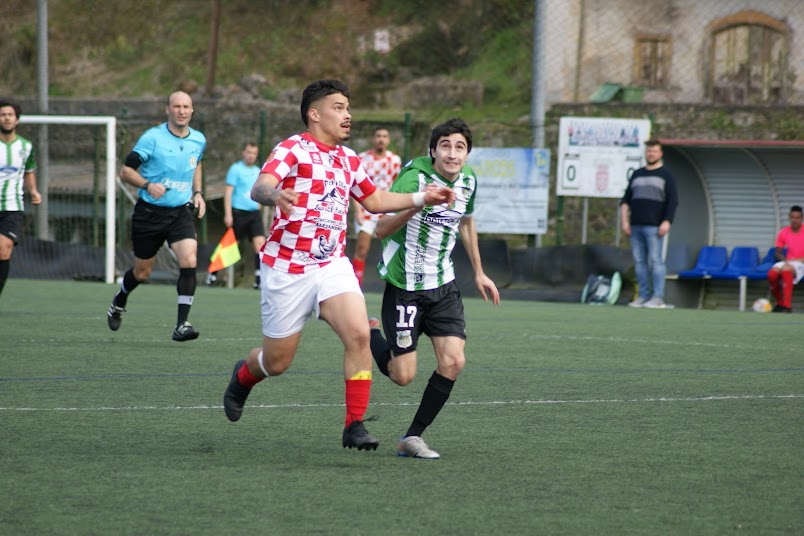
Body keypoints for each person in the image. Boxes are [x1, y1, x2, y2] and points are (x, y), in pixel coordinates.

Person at [222, 79, 456, 452]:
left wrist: (421, 196)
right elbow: (259, 188)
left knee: (360, 335)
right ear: (314, 114)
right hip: (287, 267)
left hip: (331, 264)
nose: (348, 115)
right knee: (277, 362)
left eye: (348, 108)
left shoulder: (349, 159)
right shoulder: (292, 148)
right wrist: (274, 194)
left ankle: (354, 425)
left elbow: (375, 200)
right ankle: (243, 376)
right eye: (339, 107)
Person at [368, 118, 500, 459]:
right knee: (402, 376)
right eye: (445, 146)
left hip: (443, 285)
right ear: (433, 150)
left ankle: (412, 437)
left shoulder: (469, 181)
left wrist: (480, 273)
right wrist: (419, 202)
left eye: (459, 147)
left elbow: (467, 223)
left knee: (454, 361)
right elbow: (381, 228)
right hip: (405, 287)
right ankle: (367, 333)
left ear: (467, 153)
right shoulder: (415, 177)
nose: (452, 154)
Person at [106, 91, 207, 341]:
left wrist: (198, 193)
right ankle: (120, 299)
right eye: (177, 106)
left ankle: (181, 324)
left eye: (186, 107)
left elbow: (197, 163)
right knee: (142, 273)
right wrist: (147, 185)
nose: (182, 111)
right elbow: (126, 171)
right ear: (168, 109)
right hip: (149, 214)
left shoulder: (198, 139)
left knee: (189, 260)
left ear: (192, 110)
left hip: (180, 213)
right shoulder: (152, 138)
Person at [619, 138, 678, 309]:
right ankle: (643, 296)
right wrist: (625, 222)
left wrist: (667, 221)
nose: (651, 154)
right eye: (648, 151)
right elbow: (625, 201)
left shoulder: (666, 175)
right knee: (639, 262)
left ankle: (657, 297)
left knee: (656, 261)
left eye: (654, 151)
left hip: (655, 226)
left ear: (660, 153)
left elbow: (672, 201)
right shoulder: (637, 174)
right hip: (635, 226)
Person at [206, 142, 266, 289]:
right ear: (243, 153)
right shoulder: (235, 169)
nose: (251, 156)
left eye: (254, 153)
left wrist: (259, 206)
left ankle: (258, 279)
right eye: (249, 152)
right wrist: (228, 214)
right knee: (230, 245)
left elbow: (259, 191)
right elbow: (228, 192)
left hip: (254, 214)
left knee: (260, 245)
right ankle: (213, 273)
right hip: (239, 213)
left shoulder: (258, 171)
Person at [0, 101, 41, 300]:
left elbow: (29, 171)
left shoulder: (26, 146)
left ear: (17, 119)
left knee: (4, 249)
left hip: (12, 206)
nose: (6, 118)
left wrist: (33, 191)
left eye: (10, 114)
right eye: (2, 114)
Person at [352, 127, 401, 286]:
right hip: (366, 210)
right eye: (378, 136)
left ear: (388, 140)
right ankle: (355, 286)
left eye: (384, 136)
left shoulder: (394, 160)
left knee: (391, 249)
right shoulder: (362, 159)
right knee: (362, 249)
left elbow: (396, 186)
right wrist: (358, 210)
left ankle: (394, 284)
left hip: (386, 210)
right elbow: (354, 186)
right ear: (373, 139)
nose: (381, 139)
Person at [767, 205, 804, 313]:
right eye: (793, 217)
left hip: (801, 262)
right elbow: (777, 252)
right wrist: (784, 260)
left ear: (801, 218)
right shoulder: (784, 232)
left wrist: (797, 260)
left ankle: (787, 306)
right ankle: (780, 303)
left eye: (797, 218)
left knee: (786, 269)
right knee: (772, 274)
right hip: (788, 261)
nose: (795, 220)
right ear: (789, 217)